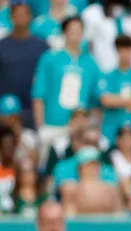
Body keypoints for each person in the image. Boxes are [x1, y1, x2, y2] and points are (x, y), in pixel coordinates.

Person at [31, 16, 100, 156]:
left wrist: (91, 125)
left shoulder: (91, 64)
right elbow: (38, 94)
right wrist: (41, 126)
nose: (75, 34)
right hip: (53, 124)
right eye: (71, 30)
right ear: (64, 32)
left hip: (80, 128)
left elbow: (95, 100)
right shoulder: (49, 58)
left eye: (79, 30)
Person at [0, 0, 48, 130]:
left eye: (23, 14)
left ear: (30, 16)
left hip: (32, 112)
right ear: (11, 17)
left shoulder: (42, 46)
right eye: (17, 15)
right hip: (5, 113)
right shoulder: (2, 46)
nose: (20, 18)